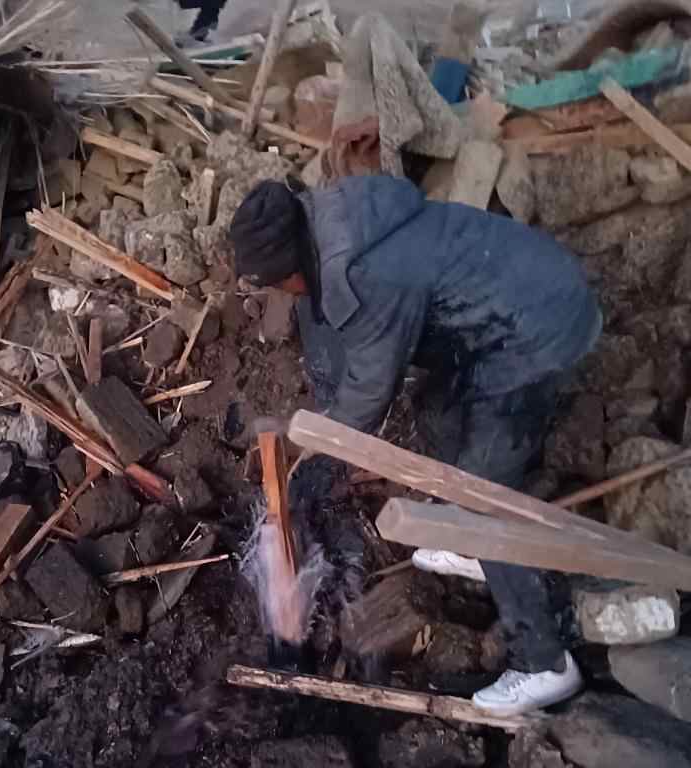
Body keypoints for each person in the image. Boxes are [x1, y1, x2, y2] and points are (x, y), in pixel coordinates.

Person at [228, 175, 600, 717]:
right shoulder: (325, 223)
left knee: (485, 489)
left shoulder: (371, 272)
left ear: (289, 268)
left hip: (537, 327)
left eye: (278, 284)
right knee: (436, 408)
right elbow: (331, 334)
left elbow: (370, 393)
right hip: (494, 316)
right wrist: (318, 422)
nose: (283, 294)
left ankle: (545, 662)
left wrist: (317, 449)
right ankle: (470, 545)